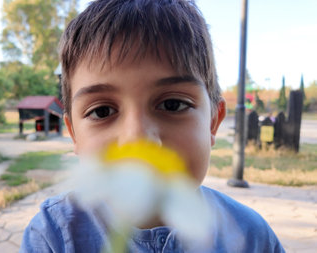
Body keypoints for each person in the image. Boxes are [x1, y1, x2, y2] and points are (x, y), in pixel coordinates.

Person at [20, 0, 285, 252]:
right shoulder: (52, 236)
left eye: (173, 105)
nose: (138, 140)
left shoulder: (251, 236)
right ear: (74, 133)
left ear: (213, 121)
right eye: (102, 111)